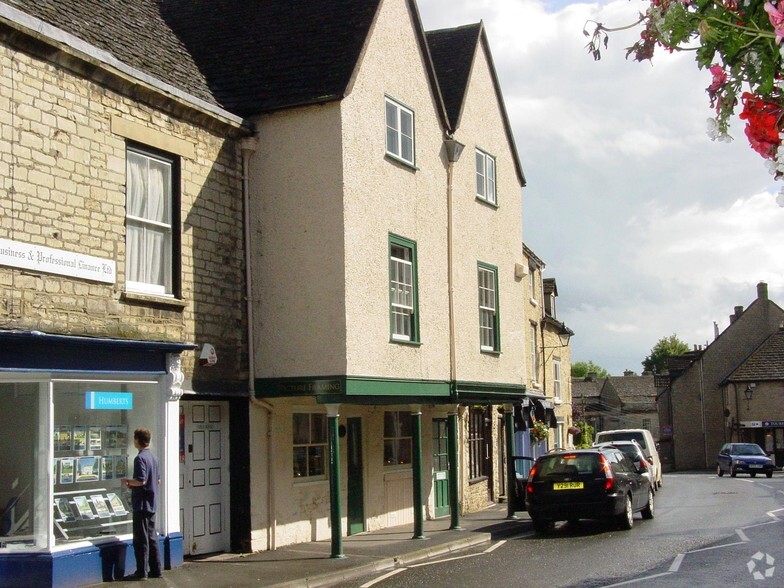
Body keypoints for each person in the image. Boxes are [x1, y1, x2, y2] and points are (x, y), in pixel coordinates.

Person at [121, 428, 162, 580]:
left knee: (140, 539)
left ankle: (141, 572)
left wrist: (127, 482)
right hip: (152, 502)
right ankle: (156, 569)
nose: (133, 441)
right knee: (151, 537)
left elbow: (141, 480)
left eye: (134, 438)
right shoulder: (153, 457)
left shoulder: (140, 459)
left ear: (138, 440)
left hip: (142, 504)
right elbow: (156, 480)